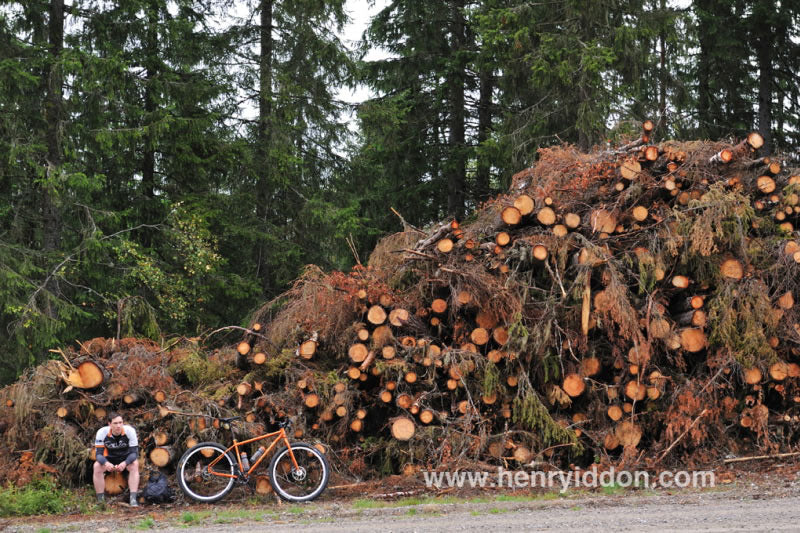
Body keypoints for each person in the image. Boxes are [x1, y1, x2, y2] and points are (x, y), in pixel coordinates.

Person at [93, 412, 140, 507]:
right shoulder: (102, 432)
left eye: (120, 422)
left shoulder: (130, 431)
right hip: (109, 458)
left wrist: (125, 463)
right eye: (115, 423)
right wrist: (106, 463)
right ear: (109, 424)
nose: (118, 426)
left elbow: (134, 453)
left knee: (135, 464)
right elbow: (98, 455)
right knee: (97, 466)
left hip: (125, 458)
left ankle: (133, 498)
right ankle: (100, 500)